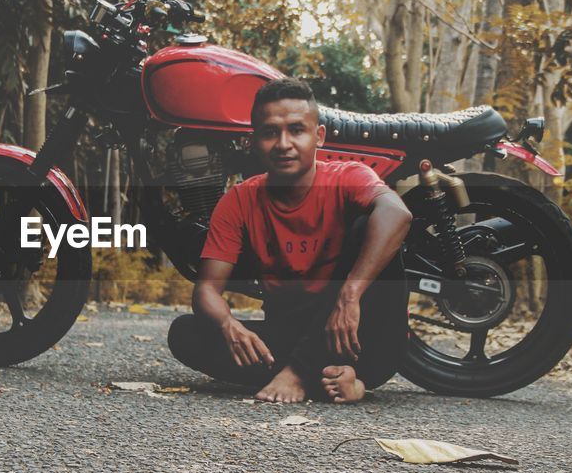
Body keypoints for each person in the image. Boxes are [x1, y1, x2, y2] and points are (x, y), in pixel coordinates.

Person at [168, 77, 413, 404]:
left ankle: (298, 374)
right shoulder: (239, 200)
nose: (284, 144)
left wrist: (349, 295)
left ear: (319, 136)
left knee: (371, 225)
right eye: (270, 133)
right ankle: (339, 382)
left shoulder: (348, 177)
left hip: (360, 336)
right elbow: (207, 290)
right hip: (294, 332)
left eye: (297, 130)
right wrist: (228, 324)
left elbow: (398, 214)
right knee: (185, 333)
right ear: (254, 141)